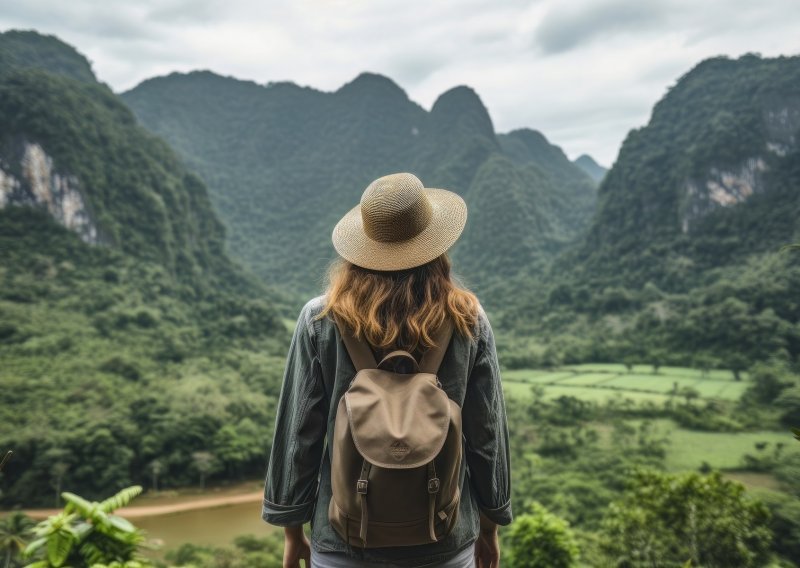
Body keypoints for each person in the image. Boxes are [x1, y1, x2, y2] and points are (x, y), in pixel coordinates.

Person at [262, 173, 512, 567]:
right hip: (444, 542)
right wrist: (490, 525)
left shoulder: (320, 319)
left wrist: (292, 531)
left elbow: (298, 436)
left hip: (344, 542)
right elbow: (486, 434)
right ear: (436, 244)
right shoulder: (468, 319)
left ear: (361, 248)